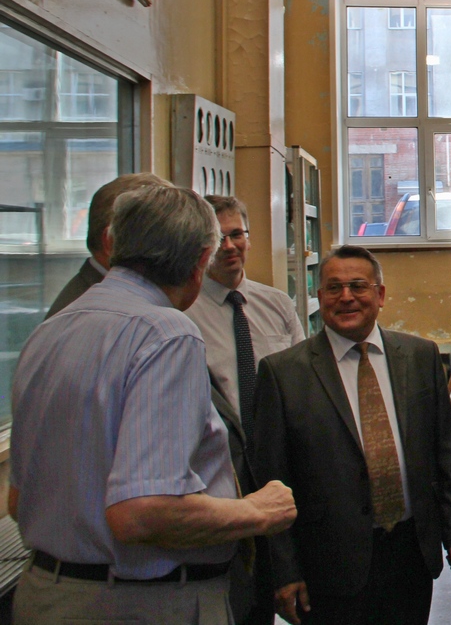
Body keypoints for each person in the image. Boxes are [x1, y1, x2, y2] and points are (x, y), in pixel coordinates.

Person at [9, 183, 297, 624]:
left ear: (114, 243)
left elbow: (18, 499)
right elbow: (142, 515)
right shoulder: (167, 333)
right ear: (202, 260)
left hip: (46, 592)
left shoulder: (50, 330)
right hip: (142, 603)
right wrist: (256, 511)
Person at [254, 245, 451, 625]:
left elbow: (445, 451)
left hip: (410, 553)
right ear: (320, 296)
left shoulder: (420, 357)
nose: (346, 297)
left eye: (358, 286)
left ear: (380, 294)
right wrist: (284, 570)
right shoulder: (283, 373)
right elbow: (272, 477)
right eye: (334, 288)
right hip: (328, 563)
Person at [185, 195, 305, 624]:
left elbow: (303, 382)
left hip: (278, 468)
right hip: (221, 476)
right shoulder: (184, 314)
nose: (230, 246)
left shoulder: (278, 304)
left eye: (237, 234)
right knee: (236, 596)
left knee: (281, 585)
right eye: (219, 238)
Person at [45, 171, 169, 318]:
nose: (172, 251)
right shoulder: (96, 314)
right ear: (111, 242)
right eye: (160, 237)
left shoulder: (109, 300)